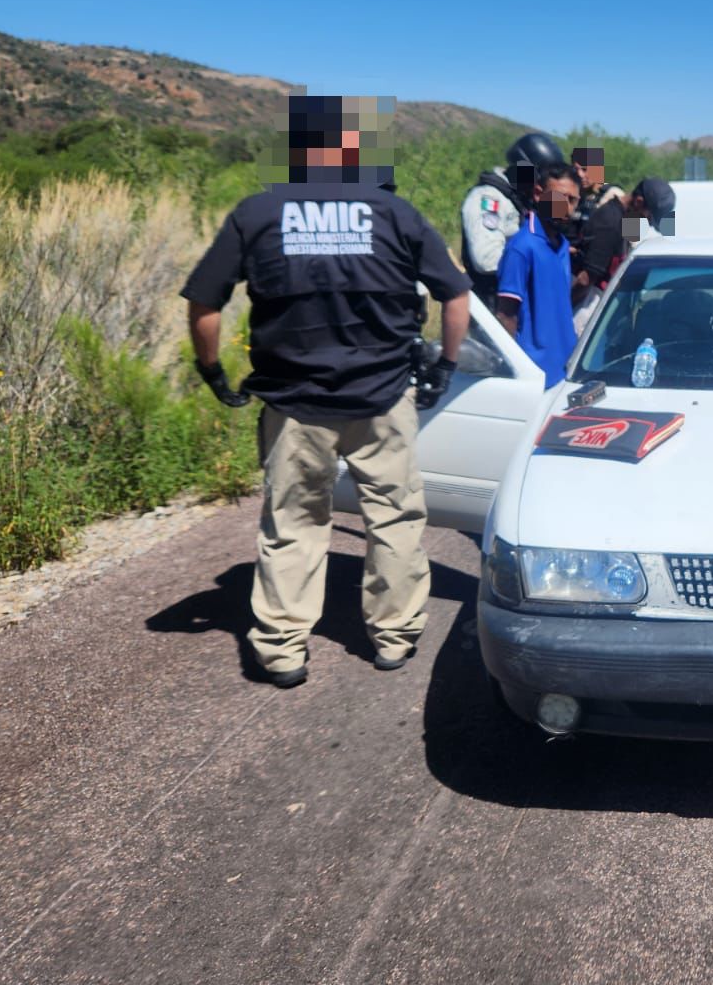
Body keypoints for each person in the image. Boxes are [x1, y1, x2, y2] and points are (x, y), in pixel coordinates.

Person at [181, 95, 471, 688]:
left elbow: (204, 303)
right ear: (350, 149)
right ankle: (393, 638)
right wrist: (445, 365)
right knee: (393, 518)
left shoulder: (257, 213)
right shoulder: (396, 214)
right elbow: (456, 296)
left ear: (297, 151)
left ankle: (283, 650)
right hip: (383, 398)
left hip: (293, 405)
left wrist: (211, 372)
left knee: (294, 522)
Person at [495, 163, 582, 386]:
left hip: (566, 370)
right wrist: (518, 374)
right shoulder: (522, 247)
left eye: (573, 200)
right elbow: (506, 315)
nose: (567, 208)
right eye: (560, 198)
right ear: (537, 193)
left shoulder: (561, 245)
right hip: (535, 377)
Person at [459, 132, 566, 312]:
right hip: (491, 306)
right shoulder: (489, 199)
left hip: (512, 303)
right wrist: (538, 263)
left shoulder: (519, 200)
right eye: (540, 178)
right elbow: (486, 259)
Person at [571, 176, 676, 333]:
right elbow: (586, 279)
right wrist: (563, 311)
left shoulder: (624, 219)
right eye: (647, 217)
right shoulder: (610, 222)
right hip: (585, 309)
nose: (646, 223)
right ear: (639, 202)